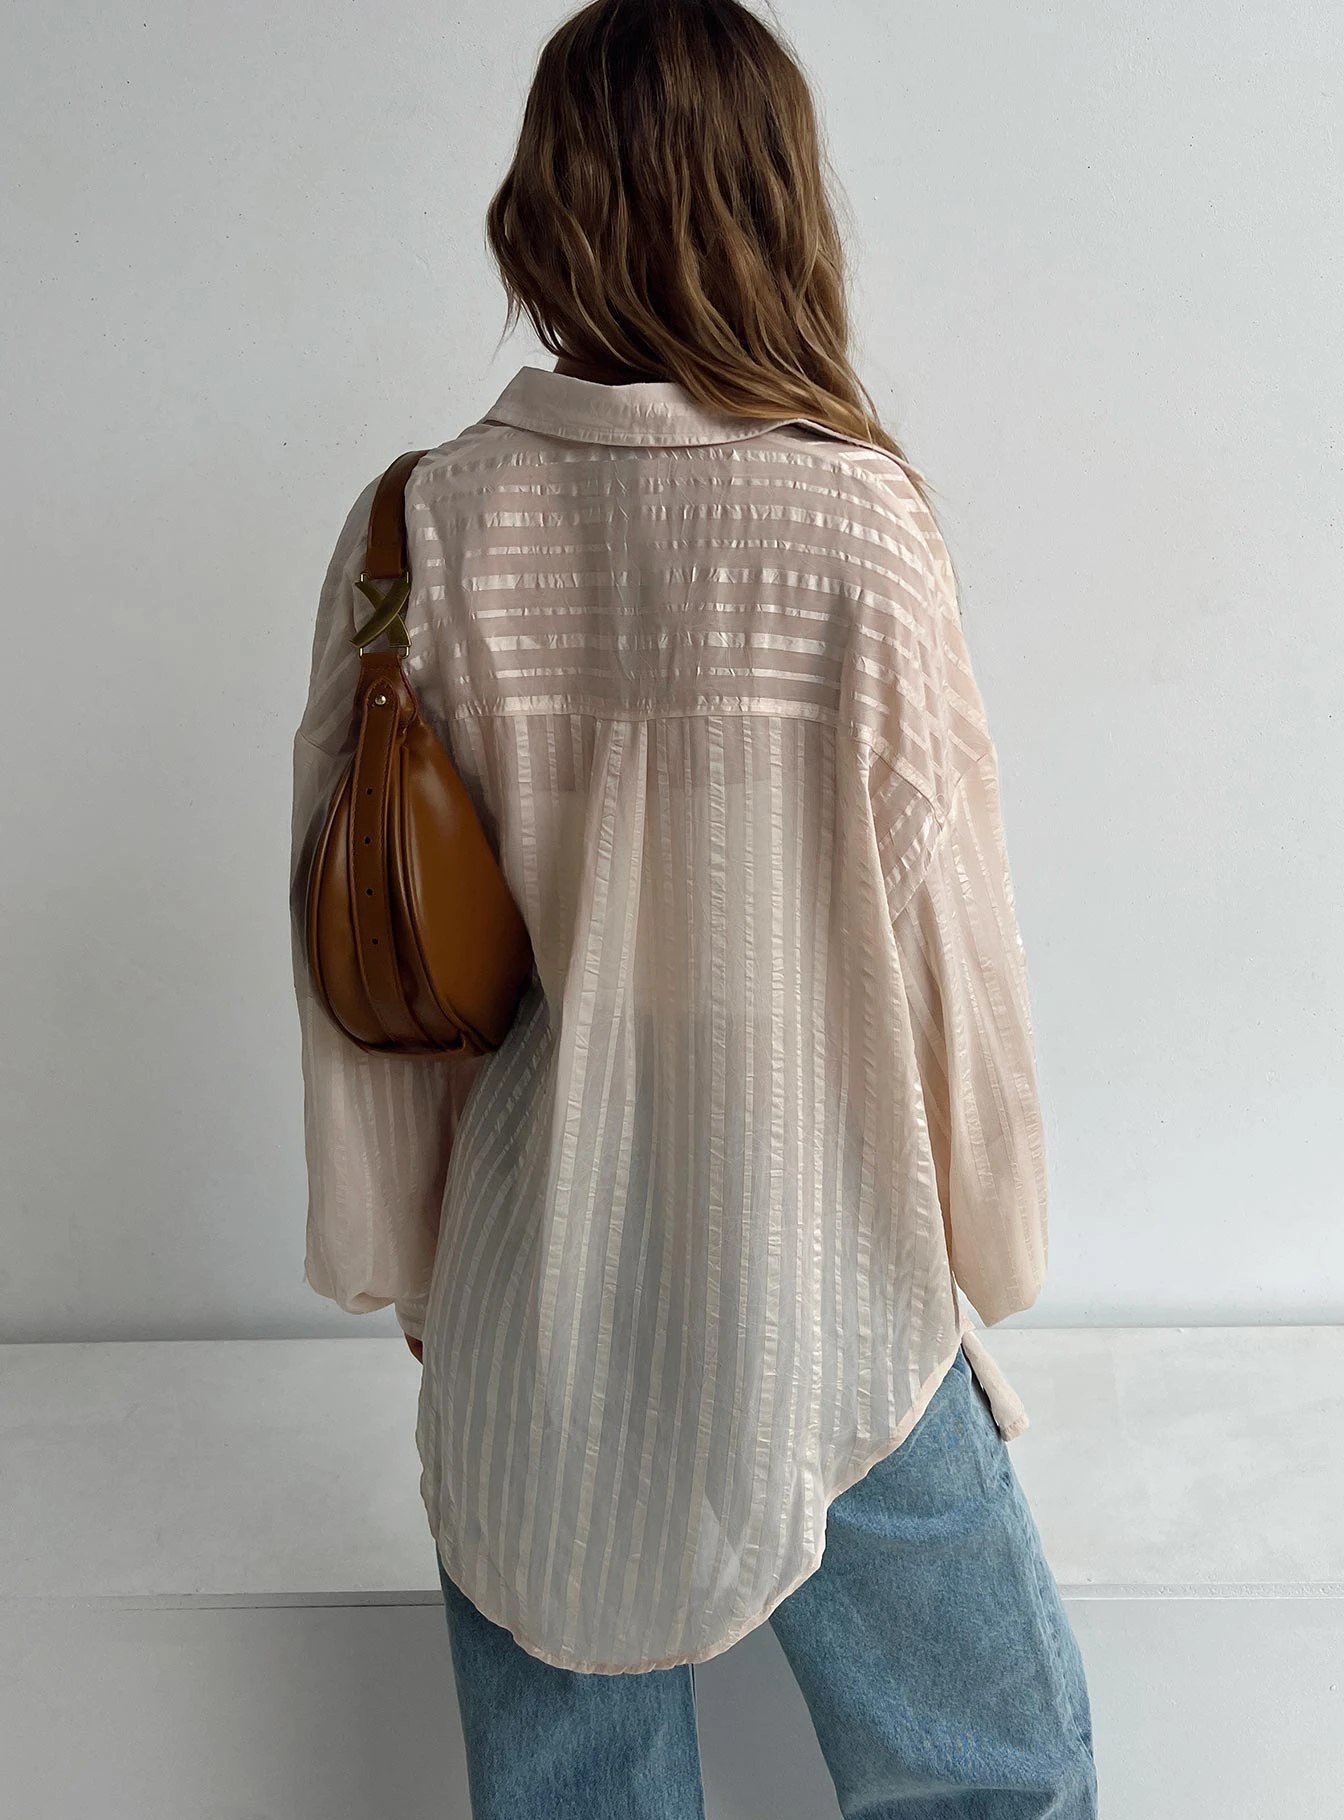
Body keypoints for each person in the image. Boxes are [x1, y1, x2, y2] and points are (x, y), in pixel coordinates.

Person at [288, 1, 1098, 1813]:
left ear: (543, 206)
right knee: (995, 1782)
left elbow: (362, 956)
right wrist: (994, 1239)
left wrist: (410, 1260)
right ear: (776, 203)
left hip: (537, 1273)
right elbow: (951, 935)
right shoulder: (857, 522)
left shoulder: (420, 528)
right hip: (831, 1262)